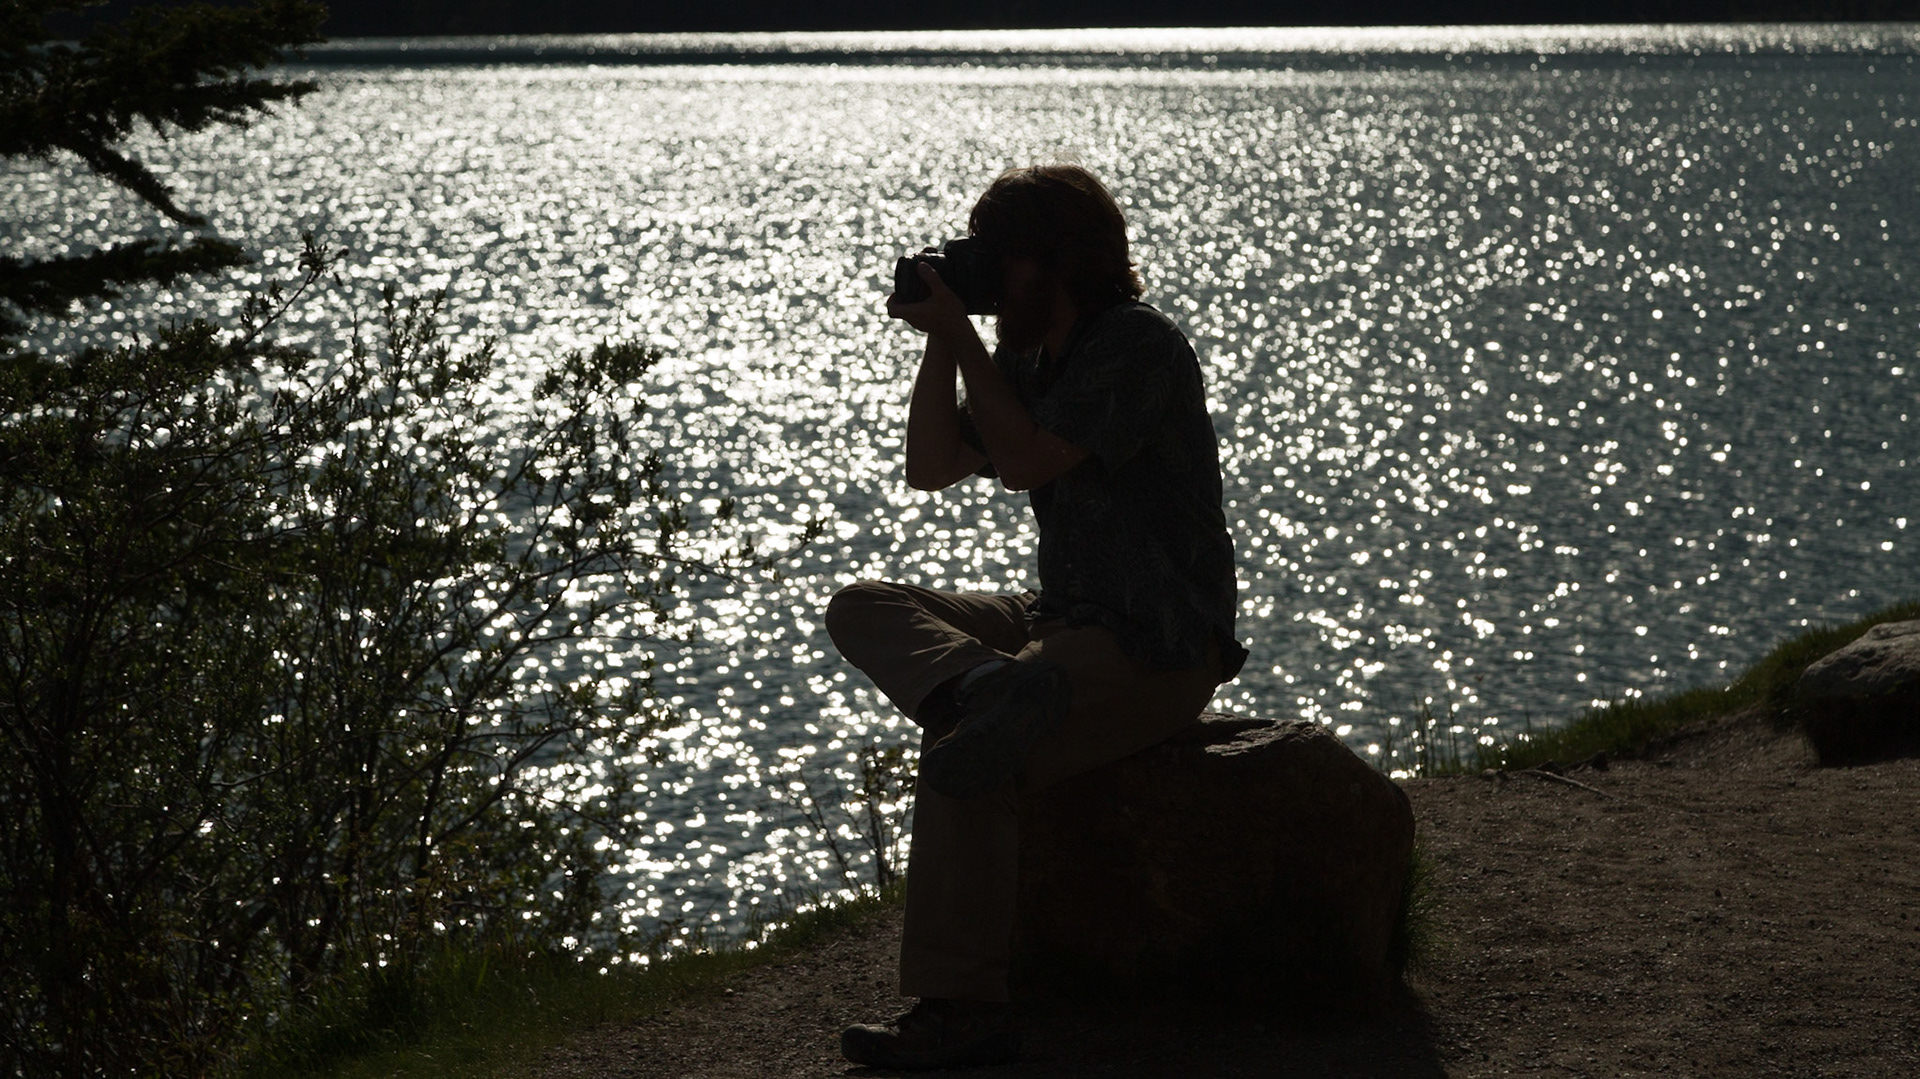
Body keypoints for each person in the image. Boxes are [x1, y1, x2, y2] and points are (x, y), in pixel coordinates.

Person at [825, 163, 1246, 1070]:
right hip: (1055, 615)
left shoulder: (1136, 345)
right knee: (863, 605)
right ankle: (983, 683)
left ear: (1064, 261)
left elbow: (1025, 461)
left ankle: (963, 1013)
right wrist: (947, 338)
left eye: (999, 258)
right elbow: (933, 463)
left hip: (1156, 636)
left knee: (972, 756)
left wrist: (968, 344)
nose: (985, 272)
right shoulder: (1023, 356)